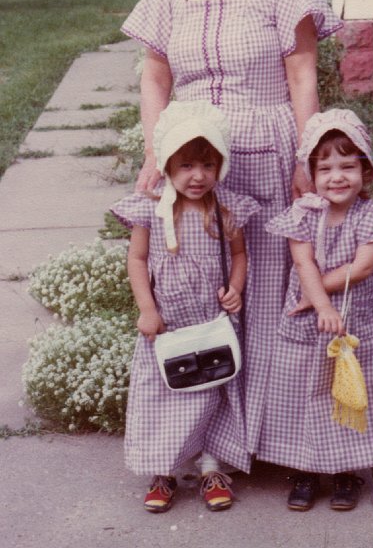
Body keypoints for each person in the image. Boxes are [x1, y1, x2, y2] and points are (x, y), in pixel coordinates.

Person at [120, 0, 343, 454]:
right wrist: (153, 151)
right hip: (194, 164)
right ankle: (208, 443)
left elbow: (301, 78)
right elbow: (155, 79)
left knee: (269, 291)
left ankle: (283, 440)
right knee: (199, 296)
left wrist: (307, 156)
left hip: (266, 153)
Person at [257, 108, 373, 511]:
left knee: (349, 392)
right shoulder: (303, 215)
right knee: (304, 389)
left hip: (359, 320)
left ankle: (347, 471)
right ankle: (302, 470)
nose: (337, 177)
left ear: (366, 171)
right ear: (311, 175)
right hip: (310, 320)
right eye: (326, 168)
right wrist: (317, 304)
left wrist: (315, 297)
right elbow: (304, 264)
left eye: (348, 166)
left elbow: (362, 267)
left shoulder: (371, 217)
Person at [110, 100, 259, 513]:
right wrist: (146, 309)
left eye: (207, 166)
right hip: (169, 324)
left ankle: (212, 467)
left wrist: (235, 287)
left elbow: (240, 255)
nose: (198, 176)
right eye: (187, 166)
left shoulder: (223, 209)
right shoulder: (154, 211)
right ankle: (165, 471)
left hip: (211, 322)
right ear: (168, 166)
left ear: (220, 166)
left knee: (214, 393)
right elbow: (138, 260)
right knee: (165, 398)